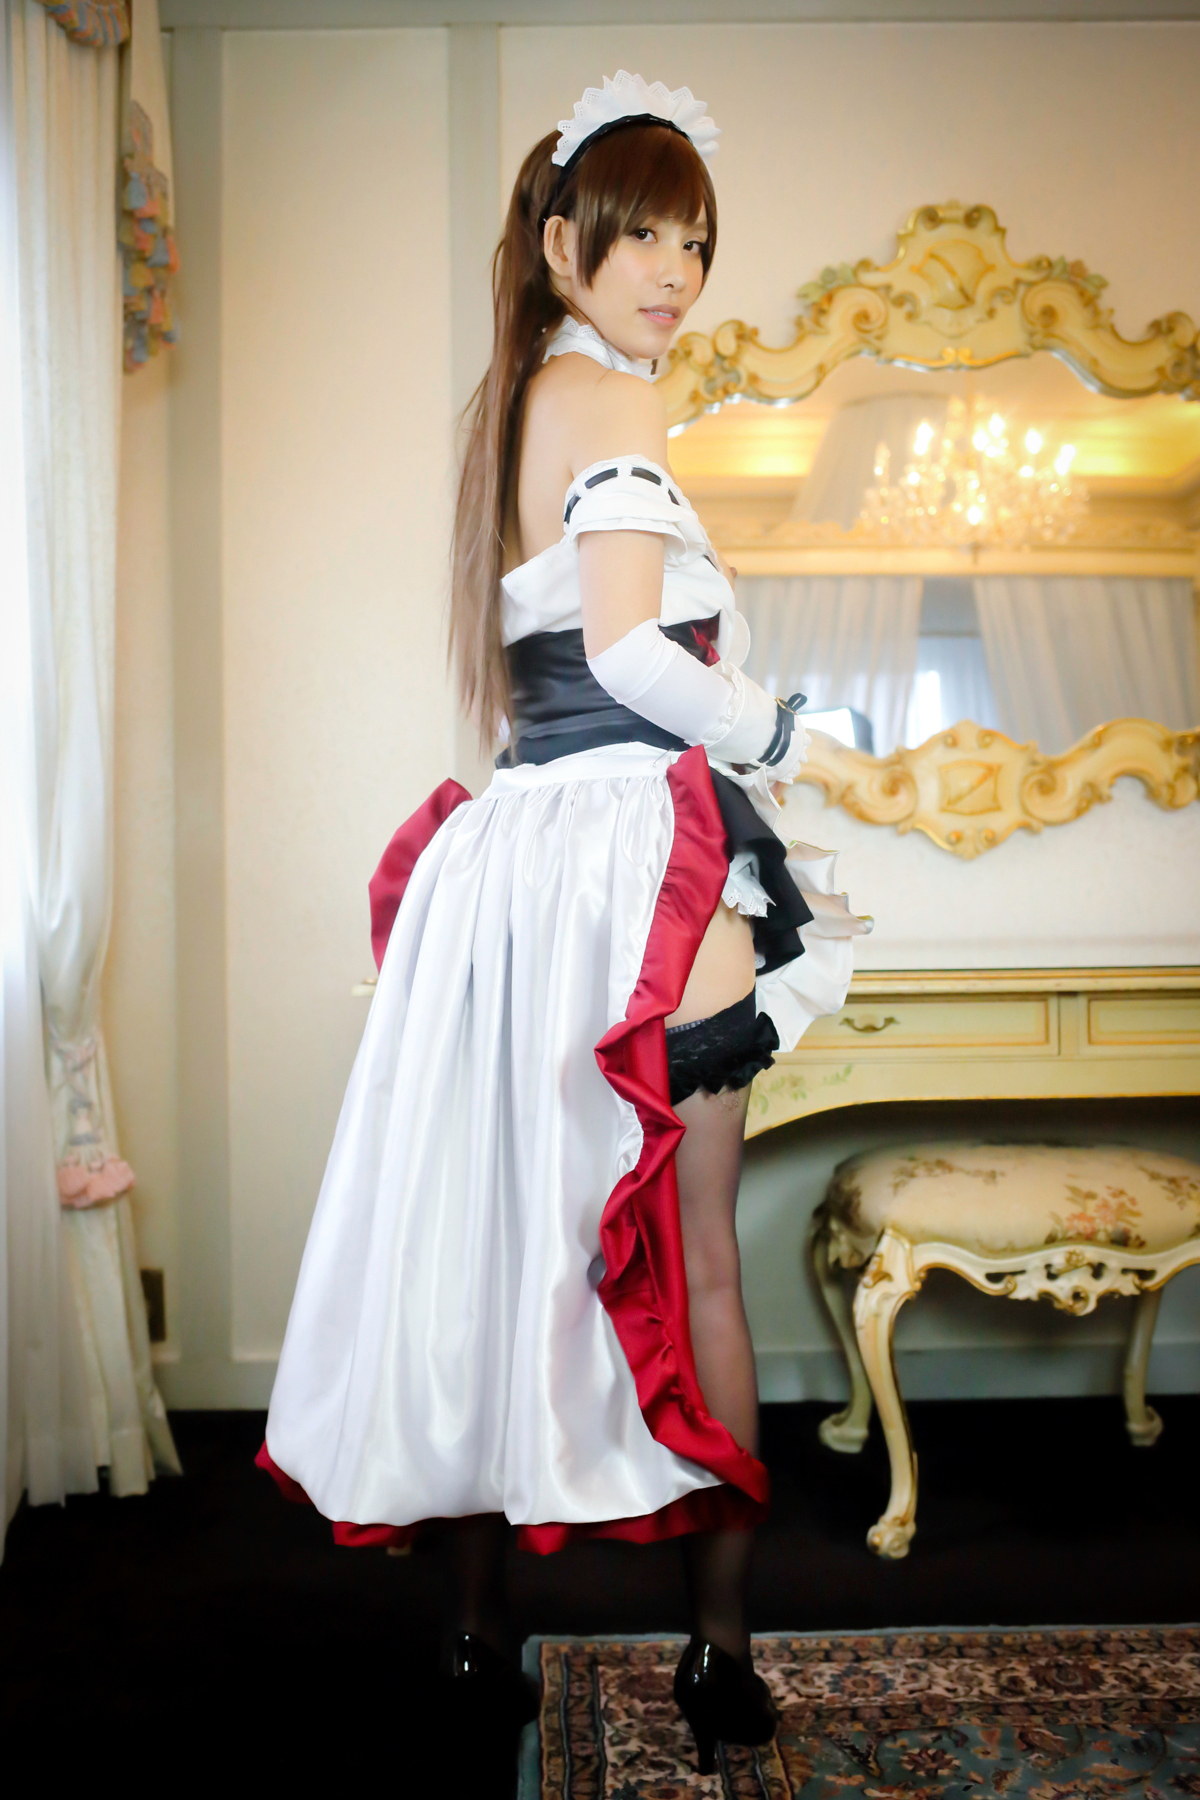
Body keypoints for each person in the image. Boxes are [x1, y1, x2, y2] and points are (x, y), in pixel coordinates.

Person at [257, 71, 866, 1774]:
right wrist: (778, 729)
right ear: (561, 245)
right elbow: (624, 657)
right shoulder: (617, 400)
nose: (676, 270)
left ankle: (475, 1641)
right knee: (704, 1252)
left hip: (514, 861)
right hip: (628, 853)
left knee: (496, 1237)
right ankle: (719, 1656)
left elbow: (560, 657)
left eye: (696, 241)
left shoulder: (515, 401)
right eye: (642, 234)